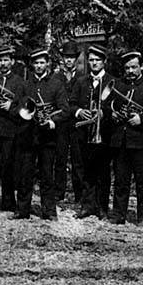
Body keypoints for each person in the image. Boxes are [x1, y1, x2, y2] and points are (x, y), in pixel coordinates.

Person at [106, 50, 143, 227]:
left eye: (134, 67)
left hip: (142, 140)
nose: (130, 71)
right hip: (121, 140)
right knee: (120, 180)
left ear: (141, 67)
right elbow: (106, 105)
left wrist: (142, 118)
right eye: (127, 68)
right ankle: (118, 214)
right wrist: (113, 114)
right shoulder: (118, 85)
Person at [15, 48, 69, 221]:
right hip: (28, 135)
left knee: (47, 175)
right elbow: (17, 107)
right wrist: (25, 113)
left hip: (47, 137)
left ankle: (49, 210)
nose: (39, 66)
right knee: (26, 174)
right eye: (36, 63)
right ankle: (22, 210)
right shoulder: (25, 85)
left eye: (42, 63)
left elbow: (65, 110)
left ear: (47, 64)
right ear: (32, 65)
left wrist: (52, 121)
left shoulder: (55, 84)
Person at [71, 45, 115, 220]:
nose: (94, 63)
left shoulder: (112, 81)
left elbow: (116, 106)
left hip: (104, 134)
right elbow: (72, 104)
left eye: (98, 60)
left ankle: (102, 207)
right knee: (85, 170)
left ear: (104, 62)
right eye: (91, 60)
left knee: (103, 172)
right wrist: (79, 112)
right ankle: (87, 205)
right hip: (84, 133)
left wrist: (105, 113)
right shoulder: (81, 81)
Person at [0, 45, 27, 212]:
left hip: (11, 129)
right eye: (0, 60)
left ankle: (9, 201)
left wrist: (12, 105)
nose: (3, 63)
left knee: (9, 167)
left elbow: (24, 105)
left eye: (6, 60)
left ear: (12, 61)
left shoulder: (19, 82)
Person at [56, 40, 82, 202]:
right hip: (60, 123)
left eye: (72, 57)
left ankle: (79, 194)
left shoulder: (82, 76)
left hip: (76, 123)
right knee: (60, 158)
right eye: (66, 57)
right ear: (62, 58)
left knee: (78, 159)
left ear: (76, 59)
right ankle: (59, 192)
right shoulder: (56, 77)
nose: (69, 60)